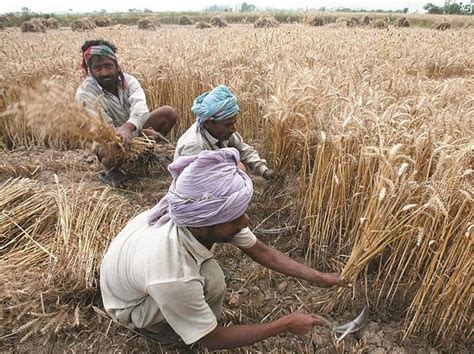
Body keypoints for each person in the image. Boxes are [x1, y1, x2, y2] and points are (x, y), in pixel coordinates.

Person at [100, 148, 344, 350]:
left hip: (136, 279)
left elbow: (263, 252)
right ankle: (156, 327)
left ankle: (187, 315)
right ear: (202, 226)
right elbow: (211, 339)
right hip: (130, 307)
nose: (246, 222)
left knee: (211, 277)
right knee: (211, 281)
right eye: (236, 218)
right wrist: (284, 324)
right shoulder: (172, 272)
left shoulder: (197, 213)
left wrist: (319, 277)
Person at [75, 39, 178, 185]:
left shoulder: (129, 81)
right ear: (89, 70)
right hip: (108, 138)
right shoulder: (85, 93)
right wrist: (139, 134)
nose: (104, 72)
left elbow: (140, 107)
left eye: (108, 66)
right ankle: (110, 170)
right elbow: (103, 128)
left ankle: (144, 155)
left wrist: (130, 129)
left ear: (117, 65)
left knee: (168, 113)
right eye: (98, 68)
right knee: (111, 144)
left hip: (131, 128)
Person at [175, 85, 274, 179]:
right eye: (228, 125)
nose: (233, 129)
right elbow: (191, 183)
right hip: (196, 191)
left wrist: (263, 170)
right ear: (209, 123)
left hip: (211, 181)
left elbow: (244, 150)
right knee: (238, 169)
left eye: (233, 123)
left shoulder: (222, 132)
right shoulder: (195, 146)